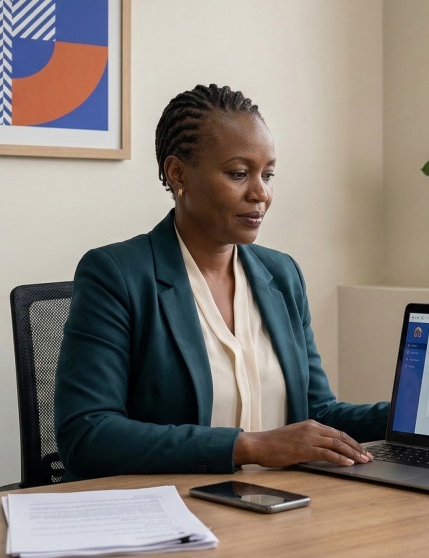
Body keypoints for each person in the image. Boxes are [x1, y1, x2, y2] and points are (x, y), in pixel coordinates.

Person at [54, 84, 389, 481]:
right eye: (238, 173)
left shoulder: (282, 275)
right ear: (178, 174)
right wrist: (250, 446)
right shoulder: (116, 274)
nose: (260, 193)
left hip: (280, 508)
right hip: (175, 511)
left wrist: (413, 414)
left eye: (267, 174)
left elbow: (316, 413)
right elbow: (88, 435)